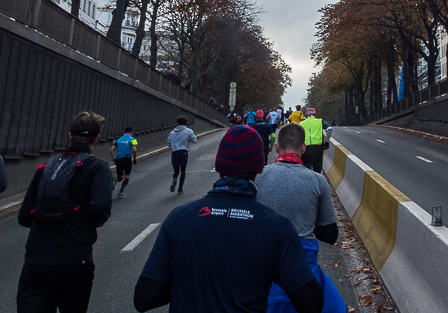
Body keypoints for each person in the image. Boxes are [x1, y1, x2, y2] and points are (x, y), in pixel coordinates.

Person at [133, 125, 323, 313]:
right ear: (259, 168)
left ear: (217, 165)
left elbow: (144, 298)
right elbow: (311, 303)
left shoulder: (179, 218)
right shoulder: (277, 227)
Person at [16, 111, 112, 313]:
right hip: (74, 258)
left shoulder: (45, 167)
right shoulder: (97, 167)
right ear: (96, 139)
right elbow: (101, 209)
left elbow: (24, 216)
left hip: (36, 258)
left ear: (69, 135)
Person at [256, 123, 347, 313]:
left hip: (264, 268)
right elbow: (330, 234)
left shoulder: (258, 178)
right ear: (303, 148)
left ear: (277, 148)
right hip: (305, 269)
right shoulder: (317, 181)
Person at [168, 116, 197, 194]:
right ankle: (180, 189)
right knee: (183, 171)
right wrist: (188, 140)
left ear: (177, 123)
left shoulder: (172, 132)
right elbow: (194, 140)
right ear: (186, 123)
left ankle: (174, 178)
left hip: (175, 152)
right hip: (184, 151)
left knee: (176, 170)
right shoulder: (188, 131)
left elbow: (168, 142)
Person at [110, 127, 138, 198]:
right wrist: (134, 159)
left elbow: (111, 150)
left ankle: (115, 180)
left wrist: (113, 158)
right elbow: (134, 150)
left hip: (119, 159)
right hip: (127, 158)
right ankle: (121, 192)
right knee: (127, 176)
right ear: (131, 133)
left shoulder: (118, 140)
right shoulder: (133, 140)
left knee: (120, 176)